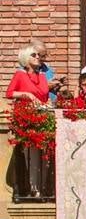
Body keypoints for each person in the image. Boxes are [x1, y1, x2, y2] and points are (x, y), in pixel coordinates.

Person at [6, 44, 52, 199]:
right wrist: (25, 94)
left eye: (39, 55)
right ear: (26, 59)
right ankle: (33, 189)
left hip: (42, 117)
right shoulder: (20, 75)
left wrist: (46, 104)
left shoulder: (43, 76)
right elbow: (9, 93)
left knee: (43, 155)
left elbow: (45, 97)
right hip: (27, 119)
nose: (38, 57)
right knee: (30, 155)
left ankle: (43, 188)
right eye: (34, 55)